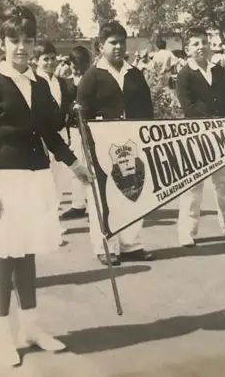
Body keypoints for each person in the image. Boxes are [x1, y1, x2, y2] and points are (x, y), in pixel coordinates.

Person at [0, 5, 91, 367]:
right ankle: (1, 336)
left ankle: (32, 329)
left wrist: (74, 164)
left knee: (27, 255)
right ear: (1, 43)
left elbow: (50, 132)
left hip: (36, 177)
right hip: (3, 181)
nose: (21, 47)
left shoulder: (39, 84)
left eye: (27, 40)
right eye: (13, 40)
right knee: (4, 258)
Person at [77, 20, 155, 266]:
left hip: (132, 143)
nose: (118, 47)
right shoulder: (92, 76)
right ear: (101, 46)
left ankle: (131, 244)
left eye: (122, 42)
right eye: (112, 43)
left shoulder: (134, 74)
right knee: (104, 196)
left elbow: (146, 110)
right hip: (102, 146)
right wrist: (89, 146)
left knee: (133, 191)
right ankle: (106, 246)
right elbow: (81, 114)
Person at [175, 27, 225, 247]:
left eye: (204, 42)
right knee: (194, 185)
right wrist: (212, 122)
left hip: (221, 135)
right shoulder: (184, 75)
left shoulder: (218, 71)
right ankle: (187, 232)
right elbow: (188, 107)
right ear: (187, 49)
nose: (201, 47)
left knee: (224, 181)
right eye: (195, 44)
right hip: (197, 135)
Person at [34, 40, 76, 245]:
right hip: (41, 137)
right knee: (44, 183)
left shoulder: (60, 82)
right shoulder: (34, 81)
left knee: (58, 181)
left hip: (58, 136)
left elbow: (65, 107)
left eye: (52, 59)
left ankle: (54, 219)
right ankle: (45, 225)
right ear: (36, 61)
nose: (49, 63)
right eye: (45, 59)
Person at [59, 46, 92, 221]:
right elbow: (62, 106)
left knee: (93, 165)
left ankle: (94, 204)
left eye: (80, 64)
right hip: (73, 128)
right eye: (74, 64)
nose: (77, 68)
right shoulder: (66, 83)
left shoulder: (92, 79)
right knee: (77, 165)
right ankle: (78, 204)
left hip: (90, 127)